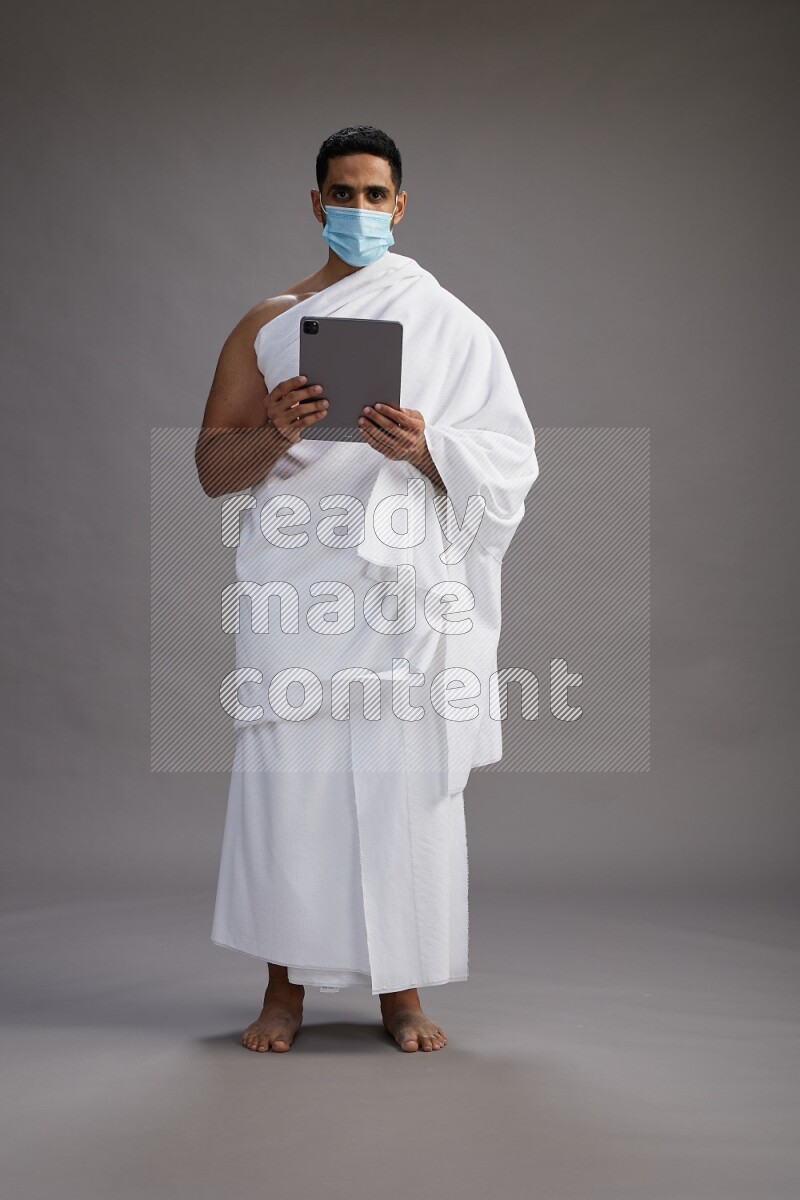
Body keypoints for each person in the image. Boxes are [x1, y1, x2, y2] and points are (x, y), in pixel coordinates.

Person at [195, 125, 538, 1053]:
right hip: (296, 588)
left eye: (373, 195)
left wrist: (425, 448)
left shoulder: (453, 326)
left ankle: (403, 992)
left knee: (402, 784)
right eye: (340, 194)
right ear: (315, 205)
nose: (358, 211)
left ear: (400, 205)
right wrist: (272, 433)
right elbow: (215, 470)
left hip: (402, 602)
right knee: (287, 783)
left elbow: (511, 464)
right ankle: (282, 993)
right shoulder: (266, 326)